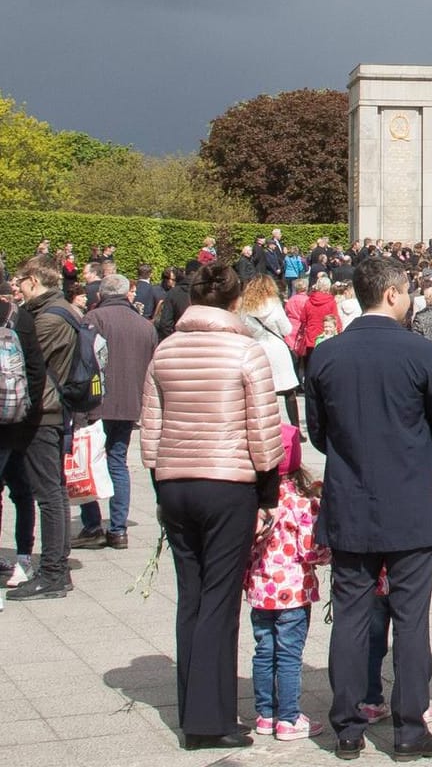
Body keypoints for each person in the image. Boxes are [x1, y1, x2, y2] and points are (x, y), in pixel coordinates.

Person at [305, 257, 432, 761]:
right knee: (410, 619)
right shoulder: (418, 352)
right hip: (410, 502)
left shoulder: (327, 355)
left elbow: (319, 433)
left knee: (350, 617)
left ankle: (347, 728)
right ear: (392, 293)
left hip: (351, 499)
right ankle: (409, 729)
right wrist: (418, 462)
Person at [140, 261, 284, 749]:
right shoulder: (247, 351)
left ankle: (193, 705)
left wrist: (160, 480)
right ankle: (210, 718)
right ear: (234, 301)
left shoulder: (166, 351)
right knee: (221, 601)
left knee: (192, 596)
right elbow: (264, 433)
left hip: (176, 479)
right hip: (227, 482)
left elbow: (151, 426)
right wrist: (269, 491)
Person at [246, 424, 329, 742]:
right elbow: (314, 550)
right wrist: (327, 557)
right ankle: (289, 718)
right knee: (290, 654)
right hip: (293, 592)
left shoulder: (254, 501)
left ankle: (265, 714)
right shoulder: (302, 502)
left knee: (264, 651)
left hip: (260, 590)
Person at [4, 257, 80, 601]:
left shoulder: (46, 318)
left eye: (20, 280)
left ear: (34, 280)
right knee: (53, 492)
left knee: (48, 494)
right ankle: (55, 570)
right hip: (53, 409)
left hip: (43, 412)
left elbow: (28, 363)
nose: (17, 287)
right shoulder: (61, 310)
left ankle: (52, 573)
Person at [74, 272, 157, 551]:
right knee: (117, 461)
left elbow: (83, 363)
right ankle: (118, 528)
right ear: (126, 294)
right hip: (130, 402)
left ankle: (93, 524)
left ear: (101, 294)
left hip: (95, 402)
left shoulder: (93, 320)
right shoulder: (145, 326)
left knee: (89, 460)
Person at [241, 274, 302, 433]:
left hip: (258, 348)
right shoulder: (274, 304)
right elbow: (287, 329)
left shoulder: (246, 308)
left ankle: (268, 428)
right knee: (288, 391)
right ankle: (295, 428)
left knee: (264, 391)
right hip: (277, 347)